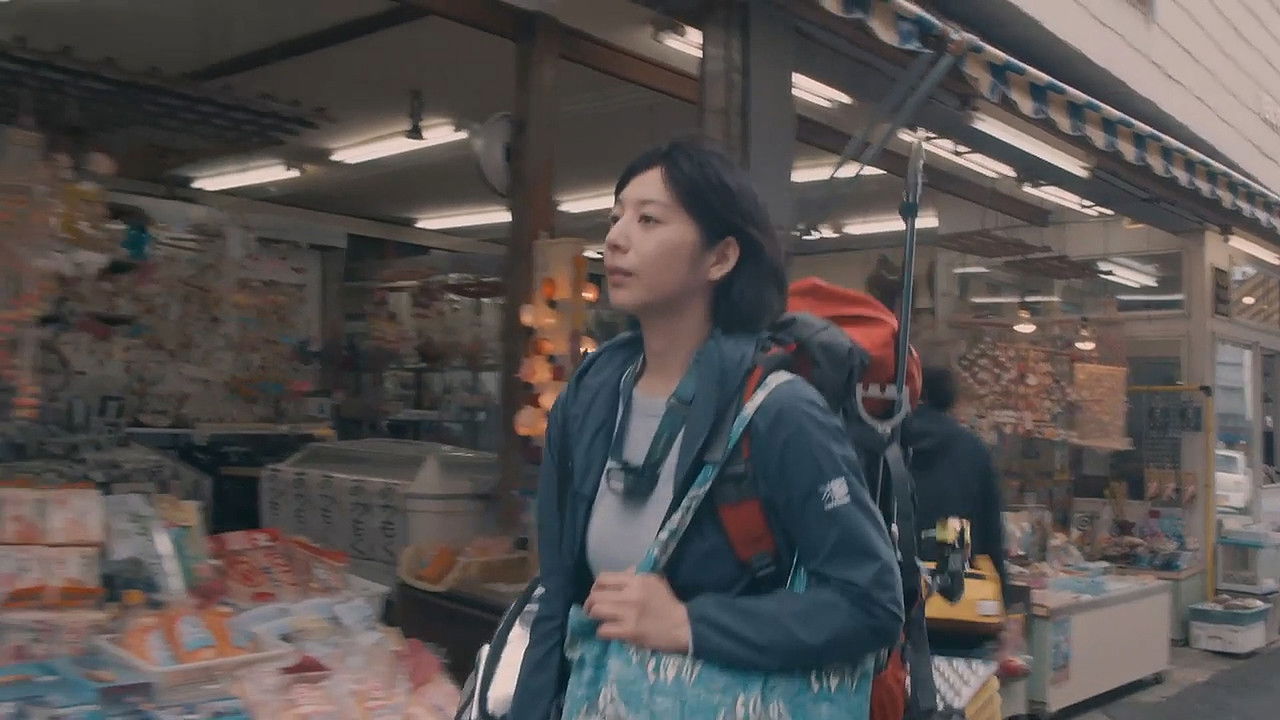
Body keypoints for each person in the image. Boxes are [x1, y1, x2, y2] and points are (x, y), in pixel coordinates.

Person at [509, 138, 904, 719]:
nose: (616, 237)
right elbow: (557, 598)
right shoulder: (589, 399)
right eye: (615, 217)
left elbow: (870, 602)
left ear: (720, 258)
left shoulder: (778, 412)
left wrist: (689, 623)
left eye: (648, 220)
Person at [904, 366, 1008, 596]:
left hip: (899, 589)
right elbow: (992, 532)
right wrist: (1003, 594)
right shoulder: (974, 451)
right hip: (961, 595)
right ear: (951, 400)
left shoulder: (890, 442)